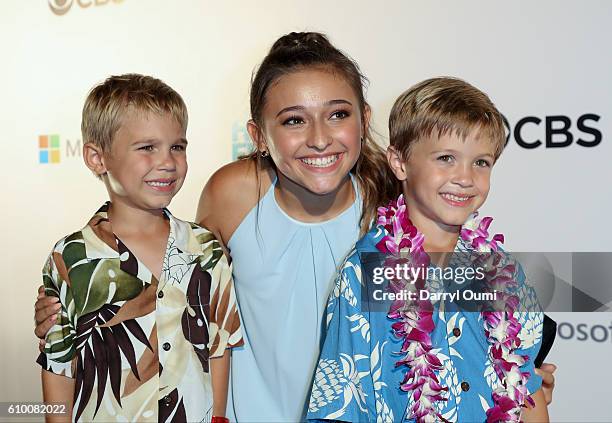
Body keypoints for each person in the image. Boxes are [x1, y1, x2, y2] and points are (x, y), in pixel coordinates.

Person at [33, 33, 556, 422]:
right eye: (292, 120)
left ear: (363, 118)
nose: (320, 138)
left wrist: (517, 373)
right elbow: (179, 279)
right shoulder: (234, 194)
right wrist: (75, 297)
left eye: (338, 114)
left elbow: (465, 305)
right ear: (259, 135)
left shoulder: (389, 204)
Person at [307, 77, 549, 422]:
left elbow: (527, 387)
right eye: (446, 158)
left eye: (481, 162)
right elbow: (340, 407)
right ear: (400, 162)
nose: (465, 177)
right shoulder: (368, 270)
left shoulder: (501, 270)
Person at [37, 74, 242, 422]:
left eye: (177, 146)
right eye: (147, 147)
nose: (167, 161)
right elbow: (59, 363)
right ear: (97, 158)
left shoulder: (206, 250)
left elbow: (219, 347)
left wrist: (218, 417)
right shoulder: (70, 258)